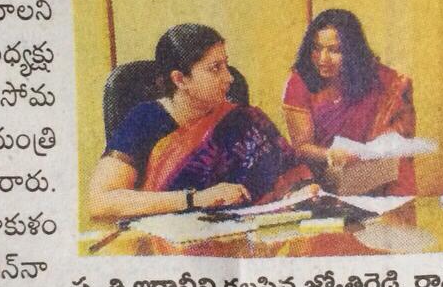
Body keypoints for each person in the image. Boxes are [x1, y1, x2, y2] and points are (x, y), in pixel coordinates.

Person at [88, 24, 308, 220]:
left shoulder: (241, 118)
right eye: (215, 68)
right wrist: (194, 199)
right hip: (167, 240)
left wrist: (299, 192)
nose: (229, 78)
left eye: (226, 65)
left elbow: (289, 175)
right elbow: (100, 200)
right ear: (180, 79)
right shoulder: (144, 119)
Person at [282, 8, 416, 195]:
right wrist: (331, 154)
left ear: (352, 52)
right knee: (385, 171)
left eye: (334, 50)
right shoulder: (299, 82)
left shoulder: (372, 76)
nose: (323, 59)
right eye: (317, 48)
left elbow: (398, 90)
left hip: (366, 166)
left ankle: (398, 210)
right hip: (322, 176)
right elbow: (301, 147)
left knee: (397, 165)